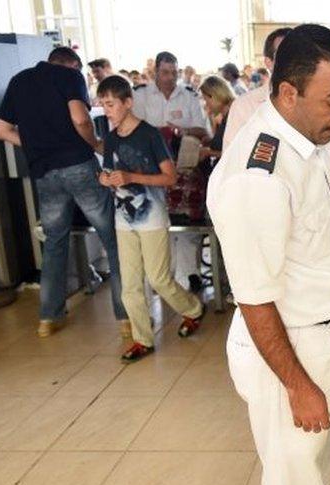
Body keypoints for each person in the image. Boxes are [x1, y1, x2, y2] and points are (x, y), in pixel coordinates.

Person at [207, 24, 330, 485]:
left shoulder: (314, 141)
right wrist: (298, 386)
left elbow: (324, 230)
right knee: (294, 484)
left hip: (319, 332)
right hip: (287, 347)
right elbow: (254, 299)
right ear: (287, 93)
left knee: (311, 472)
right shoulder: (258, 175)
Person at [0, 47, 128, 338]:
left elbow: (1, 131)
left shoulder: (19, 81)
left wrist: (33, 145)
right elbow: (80, 118)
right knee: (112, 237)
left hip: (44, 172)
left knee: (55, 242)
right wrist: (95, 144)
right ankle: (125, 316)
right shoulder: (70, 76)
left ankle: (48, 317)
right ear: (72, 64)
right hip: (78, 166)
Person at [96, 76, 206, 362]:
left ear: (128, 103)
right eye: (102, 105)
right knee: (129, 284)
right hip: (123, 219)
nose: (106, 110)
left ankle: (193, 309)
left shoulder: (150, 135)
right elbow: (109, 171)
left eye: (110, 104)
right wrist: (106, 178)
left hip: (152, 218)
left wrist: (131, 177)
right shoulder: (110, 138)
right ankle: (142, 339)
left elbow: (170, 177)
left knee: (159, 279)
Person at [132, 51, 209, 291]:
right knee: (159, 223)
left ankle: (189, 275)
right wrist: (158, 133)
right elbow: (133, 128)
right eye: (165, 72)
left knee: (187, 224)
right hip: (150, 169)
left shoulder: (188, 97)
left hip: (184, 170)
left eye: (174, 72)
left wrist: (180, 131)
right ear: (156, 72)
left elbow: (202, 131)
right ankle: (164, 278)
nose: (170, 77)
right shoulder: (141, 96)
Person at [223, 27, 291, 149]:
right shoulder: (244, 106)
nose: (294, 61)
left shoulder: (316, 102)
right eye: (285, 54)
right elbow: (231, 161)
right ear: (268, 62)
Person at [198, 75, 235, 163]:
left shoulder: (234, 114)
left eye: (205, 99)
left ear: (213, 96)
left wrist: (209, 152)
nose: (205, 104)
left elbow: (237, 152)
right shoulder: (225, 115)